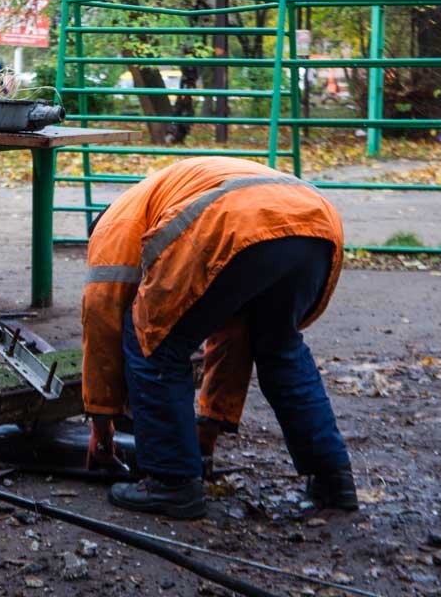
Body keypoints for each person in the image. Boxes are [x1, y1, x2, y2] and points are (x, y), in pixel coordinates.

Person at [82, 157, 355, 519]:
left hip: (234, 219)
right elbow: (232, 331)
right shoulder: (169, 195)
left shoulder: (115, 226)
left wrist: (102, 423)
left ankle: (171, 483)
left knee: (153, 341)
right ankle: (333, 483)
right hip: (314, 222)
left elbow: (102, 316)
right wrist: (207, 428)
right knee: (278, 346)